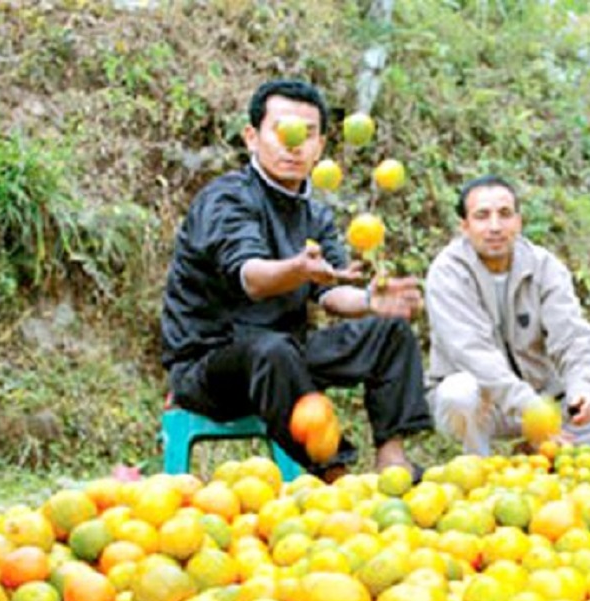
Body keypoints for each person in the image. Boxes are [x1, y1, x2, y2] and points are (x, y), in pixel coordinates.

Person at [161, 78, 431, 480]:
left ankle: (393, 459)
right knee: (271, 351)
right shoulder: (226, 199)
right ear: (252, 137)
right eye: (282, 131)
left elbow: (331, 290)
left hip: (285, 355)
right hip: (212, 364)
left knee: (389, 333)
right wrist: (297, 268)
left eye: (307, 135)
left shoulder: (314, 214)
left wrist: (369, 301)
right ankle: (334, 474)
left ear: (320, 146)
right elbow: (251, 277)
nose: (294, 145)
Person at [424, 175, 590, 456]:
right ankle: (479, 463)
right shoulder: (447, 273)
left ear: (518, 221)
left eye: (505, 214)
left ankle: (544, 453)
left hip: (544, 397)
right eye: (482, 216)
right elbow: (472, 352)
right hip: (488, 406)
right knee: (458, 392)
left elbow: (572, 336)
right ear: (465, 226)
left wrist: (582, 387)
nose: (495, 226)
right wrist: (528, 405)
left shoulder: (544, 266)